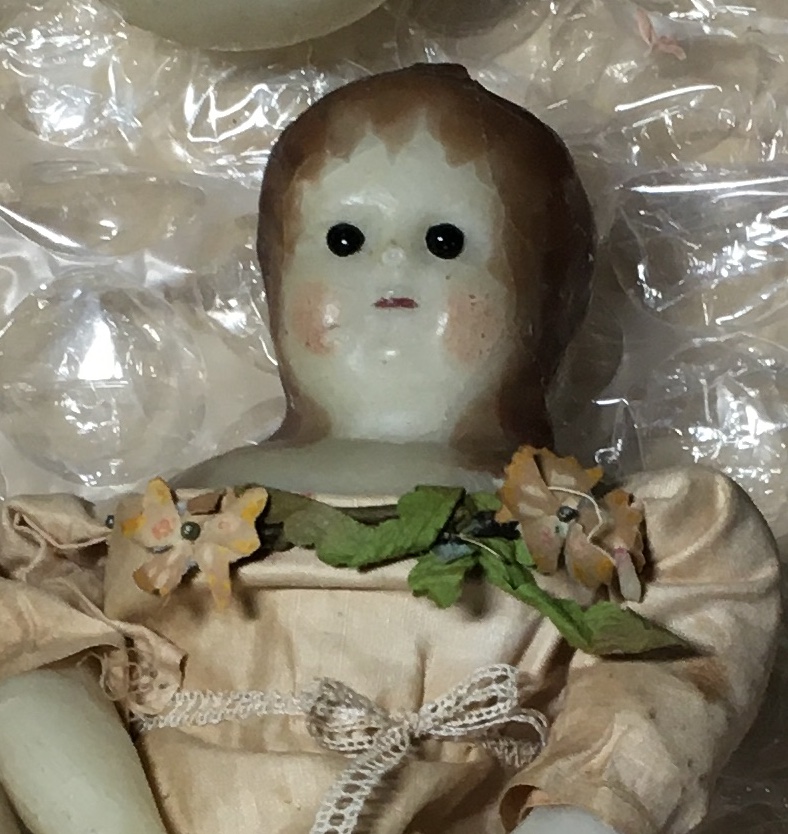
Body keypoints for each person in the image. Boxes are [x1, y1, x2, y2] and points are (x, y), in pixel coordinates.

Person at [0, 65, 779, 834]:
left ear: (550, 300)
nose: (392, 264)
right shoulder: (157, 525)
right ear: (274, 283)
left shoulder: (629, 540)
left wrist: (578, 814)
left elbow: (659, 690)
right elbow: (31, 657)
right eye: (344, 240)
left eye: (445, 241)